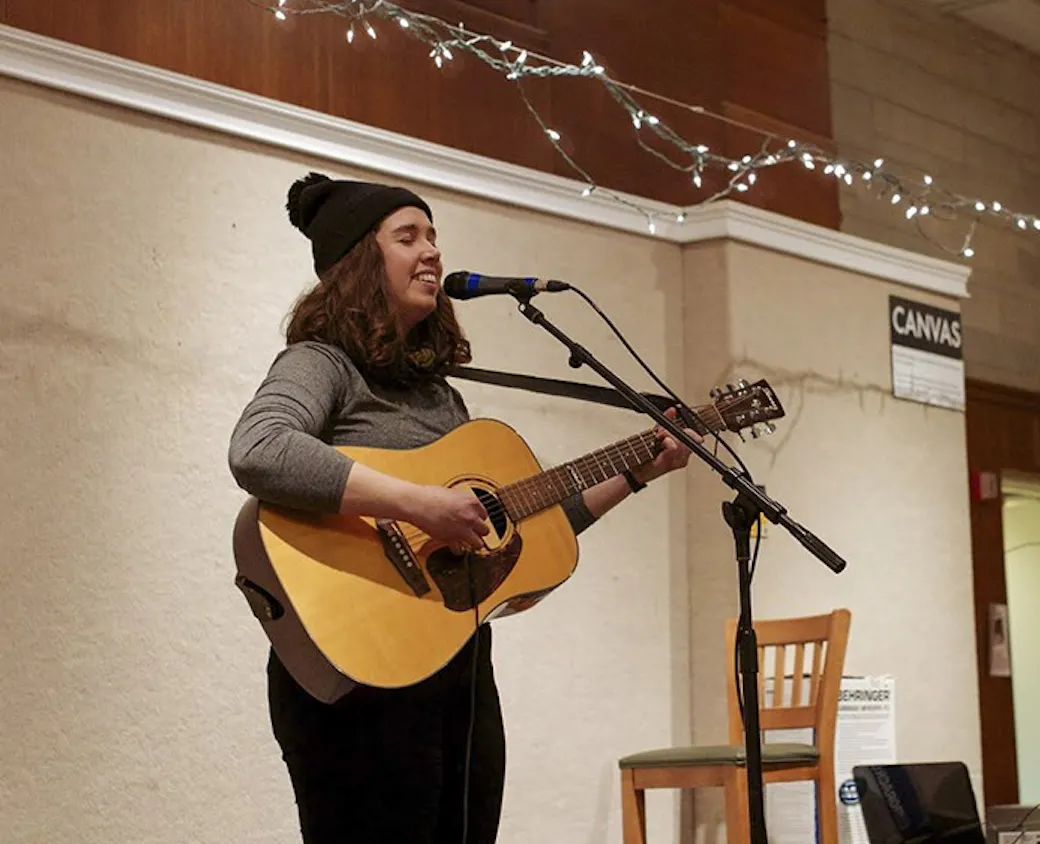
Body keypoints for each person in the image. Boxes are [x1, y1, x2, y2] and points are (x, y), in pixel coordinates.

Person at [228, 172, 696, 844]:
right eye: (408, 236)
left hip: (457, 675)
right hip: (357, 677)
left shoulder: (441, 398)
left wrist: (638, 473)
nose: (432, 252)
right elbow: (260, 448)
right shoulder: (321, 364)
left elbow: (519, 533)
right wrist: (417, 504)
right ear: (360, 260)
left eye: (434, 236)